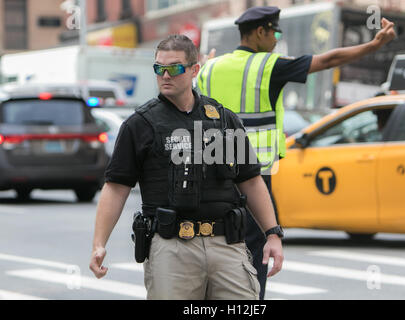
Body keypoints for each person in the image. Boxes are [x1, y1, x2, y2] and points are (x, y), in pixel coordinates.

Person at [197, 6, 396, 299]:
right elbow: (330, 59)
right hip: (254, 178)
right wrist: (374, 44)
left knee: (211, 247)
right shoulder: (268, 66)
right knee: (254, 250)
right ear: (261, 32)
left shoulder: (210, 67)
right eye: (275, 32)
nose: (278, 38)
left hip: (211, 174)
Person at [89, 34, 283, 300]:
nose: (165, 75)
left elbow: (250, 180)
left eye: (174, 68)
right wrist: (99, 244)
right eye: (159, 68)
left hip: (226, 245)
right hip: (171, 247)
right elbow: (116, 187)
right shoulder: (140, 125)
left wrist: (272, 234)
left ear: (194, 70)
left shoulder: (224, 120)